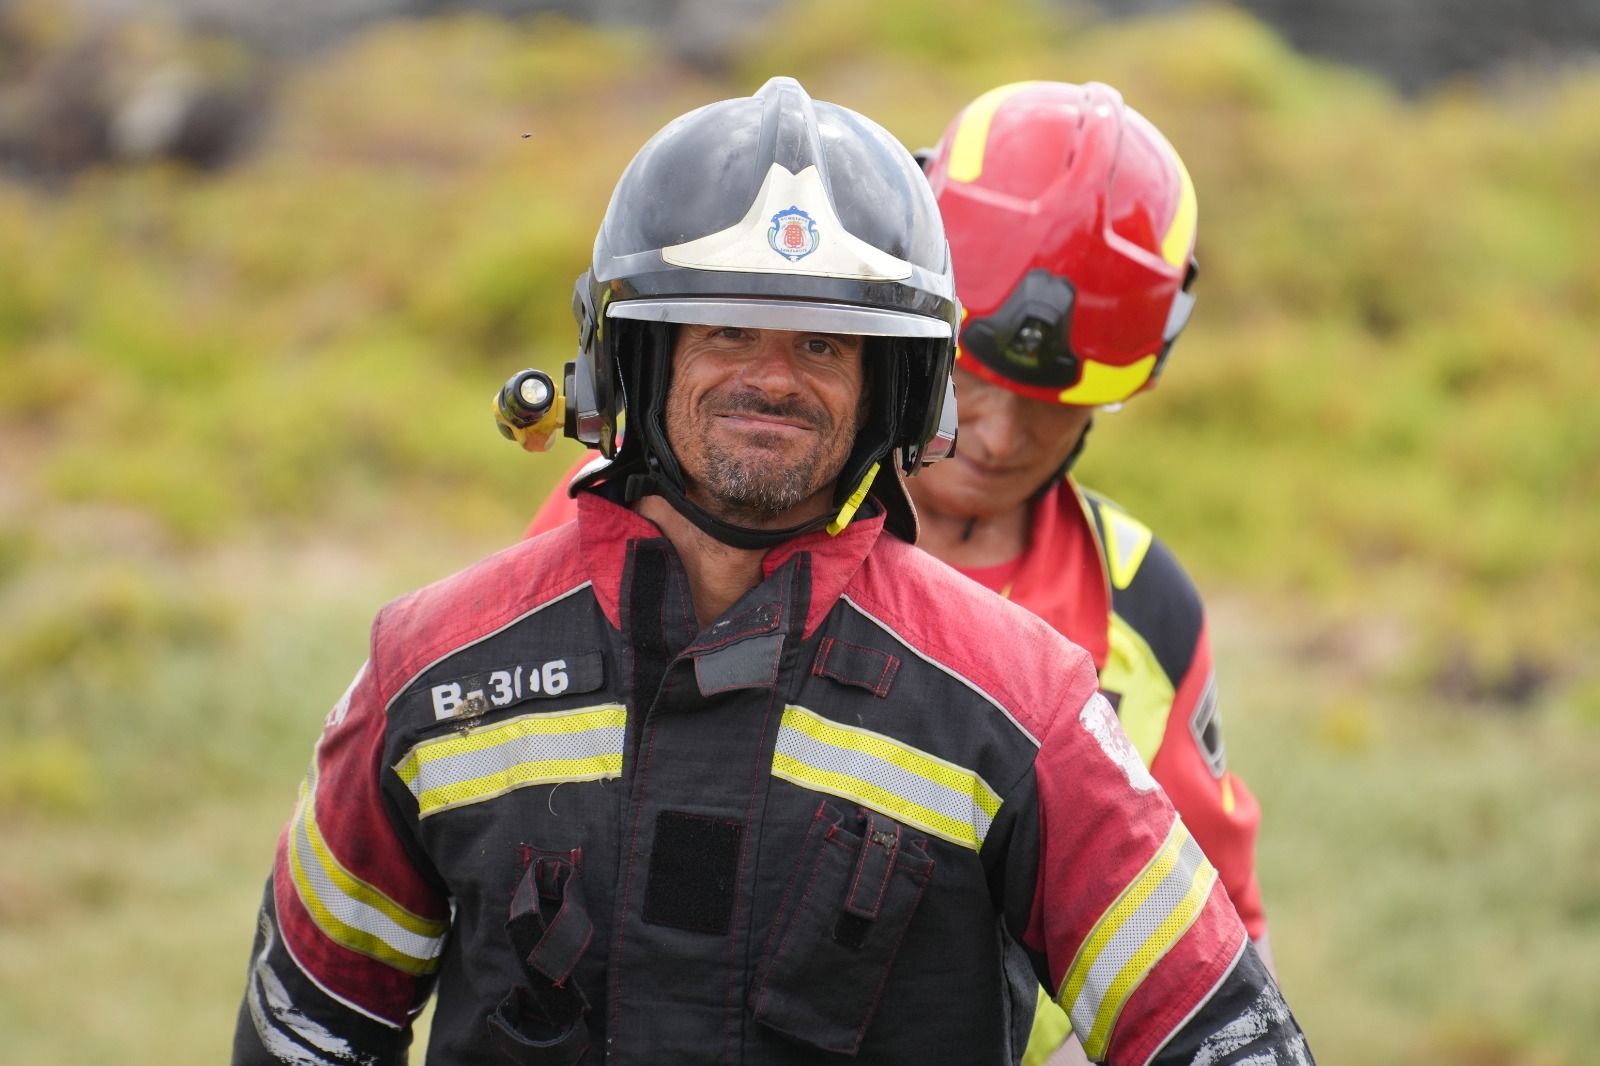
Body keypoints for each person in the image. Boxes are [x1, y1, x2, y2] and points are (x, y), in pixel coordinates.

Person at [234, 77, 1311, 1065]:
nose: (770, 376)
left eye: (823, 344)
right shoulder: (440, 666)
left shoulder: (1026, 701)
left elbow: (1223, 1026)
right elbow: (304, 1029)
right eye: (728, 326)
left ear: (894, 386)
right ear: (632, 357)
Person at [523, 81, 1279, 1066]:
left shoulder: (1137, 600)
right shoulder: (642, 506)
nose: (999, 437)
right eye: (970, 377)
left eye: (1054, 404)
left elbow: (1215, 938)